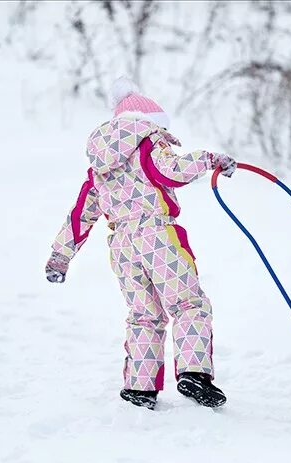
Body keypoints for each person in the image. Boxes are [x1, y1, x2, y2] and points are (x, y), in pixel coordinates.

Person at [45, 77, 237, 410]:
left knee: (143, 314)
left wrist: (60, 257)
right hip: (157, 235)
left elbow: (80, 216)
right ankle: (194, 373)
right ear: (149, 123)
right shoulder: (147, 143)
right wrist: (208, 159)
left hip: (121, 245)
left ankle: (140, 386)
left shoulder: (99, 168)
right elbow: (170, 172)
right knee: (188, 304)